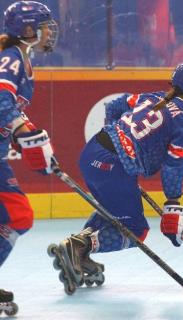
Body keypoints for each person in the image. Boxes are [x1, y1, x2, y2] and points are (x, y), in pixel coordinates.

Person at [48, 60, 183, 294]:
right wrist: (172, 204)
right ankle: (80, 246)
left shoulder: (152, 97)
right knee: (136, 231)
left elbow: (114, 106)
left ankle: (78, 250)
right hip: (112, 165)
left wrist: (120, 141)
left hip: (92, 152)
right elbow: (173, 166)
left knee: (114, 213)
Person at [0, 0, 58, 314]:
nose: (50, 31)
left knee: (15, 216)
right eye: (45, 25)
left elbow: (10, 111)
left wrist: (31, 136)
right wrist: (24, 132)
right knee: (18, 214)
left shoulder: (20, 56)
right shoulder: (12, 58)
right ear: (27, 30)